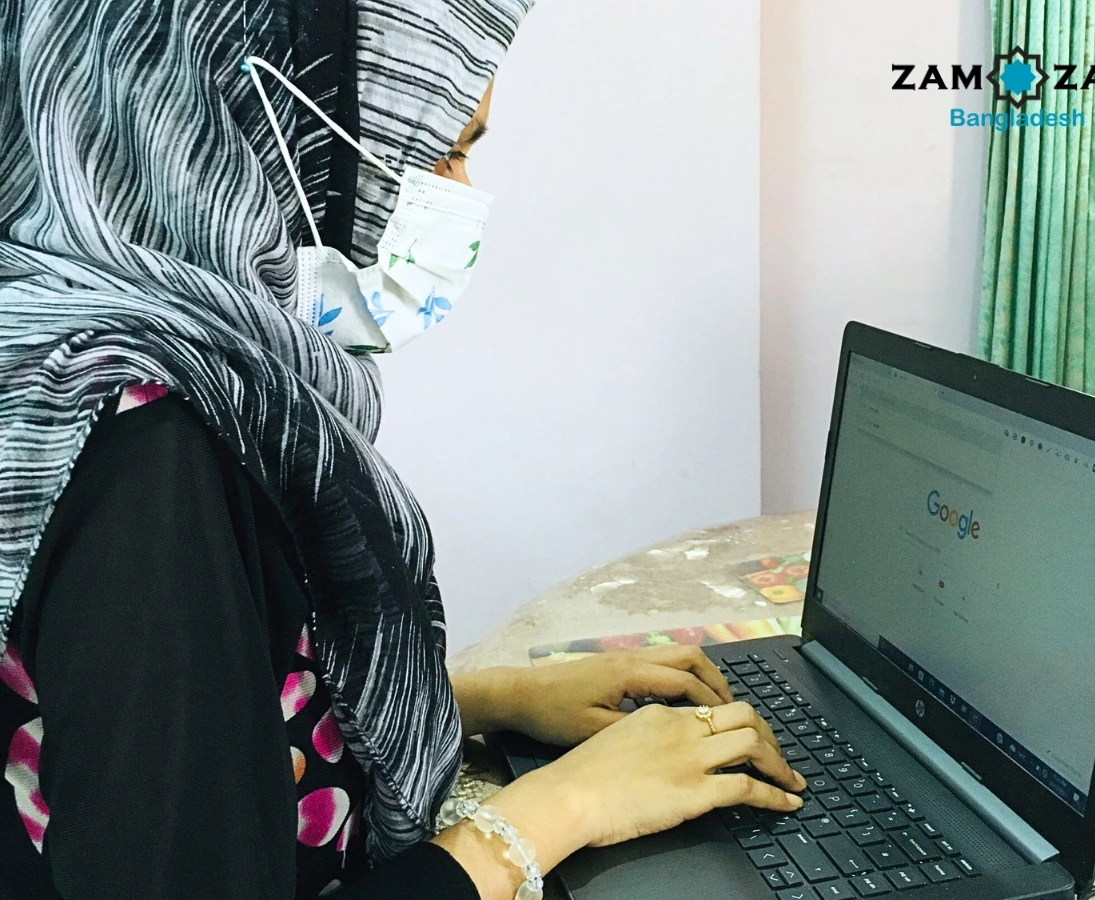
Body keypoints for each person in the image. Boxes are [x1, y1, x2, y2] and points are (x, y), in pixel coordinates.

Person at [0, 0, 806, 897]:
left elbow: (203, 726)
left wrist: (481, 700)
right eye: (443, 151)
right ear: (252, 131)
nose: (460, 194)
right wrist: (563, 807)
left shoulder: (82, 353)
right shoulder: (142, 457)